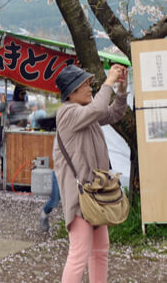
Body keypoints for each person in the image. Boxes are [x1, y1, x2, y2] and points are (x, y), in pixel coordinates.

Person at [53, 64, 128, 283]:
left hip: (95, 194)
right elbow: (97, 109)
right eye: (85, 85)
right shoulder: (68, 113)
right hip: (80, 196)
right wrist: (109, 81)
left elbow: (114, 112)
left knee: (101, 249)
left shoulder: (85, 112)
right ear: (71, 92)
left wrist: (121, 89)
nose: (90, 88)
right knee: (79, 254)